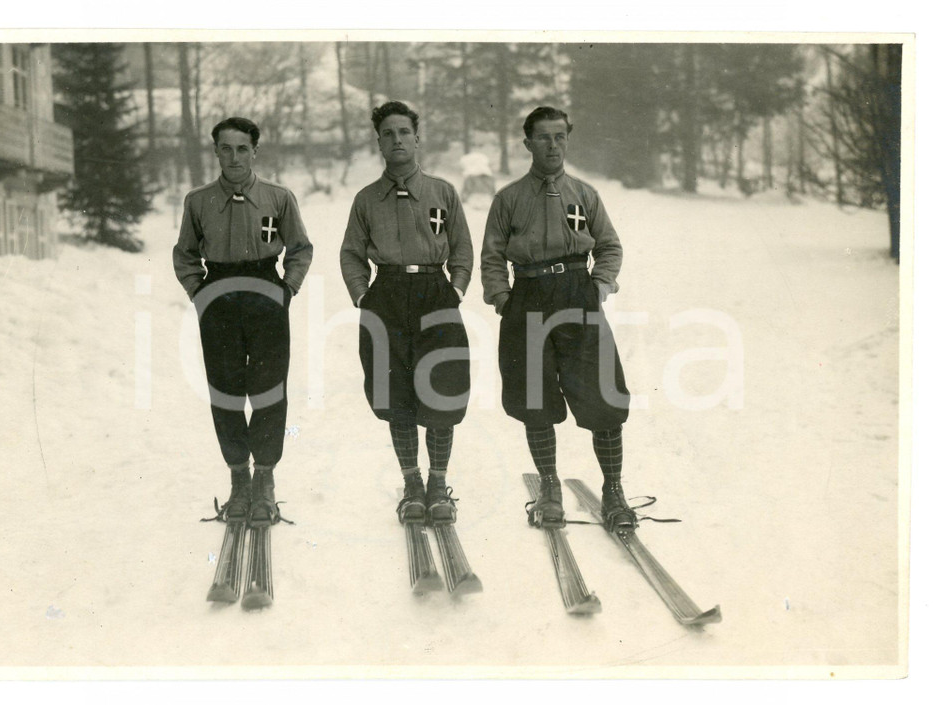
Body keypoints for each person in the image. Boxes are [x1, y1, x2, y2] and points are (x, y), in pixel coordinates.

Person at [480, 106, 633, 531]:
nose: (553, 145)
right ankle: (549, 489)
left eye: (560, 137)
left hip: (577, 294)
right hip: (527, 297)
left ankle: (614, 491)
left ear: (568, 139)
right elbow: (492, 257)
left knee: (603, 396)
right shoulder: (507, 199)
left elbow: (609, 247)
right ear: (528, 143)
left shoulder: (585, 194)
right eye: (544, 138)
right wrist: (503, 299)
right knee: (535, 398)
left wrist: (599, 286)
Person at [173, 116, 313, 525]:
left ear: (255, 151)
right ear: (216, 152)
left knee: (269, 387)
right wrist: (199, 292)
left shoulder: (278, 197)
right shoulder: (197, 201)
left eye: (242, 149)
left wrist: (287, 289)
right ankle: (238, 478)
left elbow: (301, 248)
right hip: (217, 294)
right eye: (225, 149)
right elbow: (184, 254)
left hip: (266, 291)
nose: (234, 157)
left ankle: (265, 479)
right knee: (226, 388)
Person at [340, 101, 473, 525]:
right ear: (379, 142)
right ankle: (412, 483)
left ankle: (438, 484)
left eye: (404, 132)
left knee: (442, 387)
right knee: (394, 393)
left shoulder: (442, 192)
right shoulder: (366, 200)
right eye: (388, 134)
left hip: (436, 291)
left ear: (417, 138)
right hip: (388, 295)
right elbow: (351, 254)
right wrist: (364, 296)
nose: (397, 140)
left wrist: (454, 288)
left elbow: (464, 249)